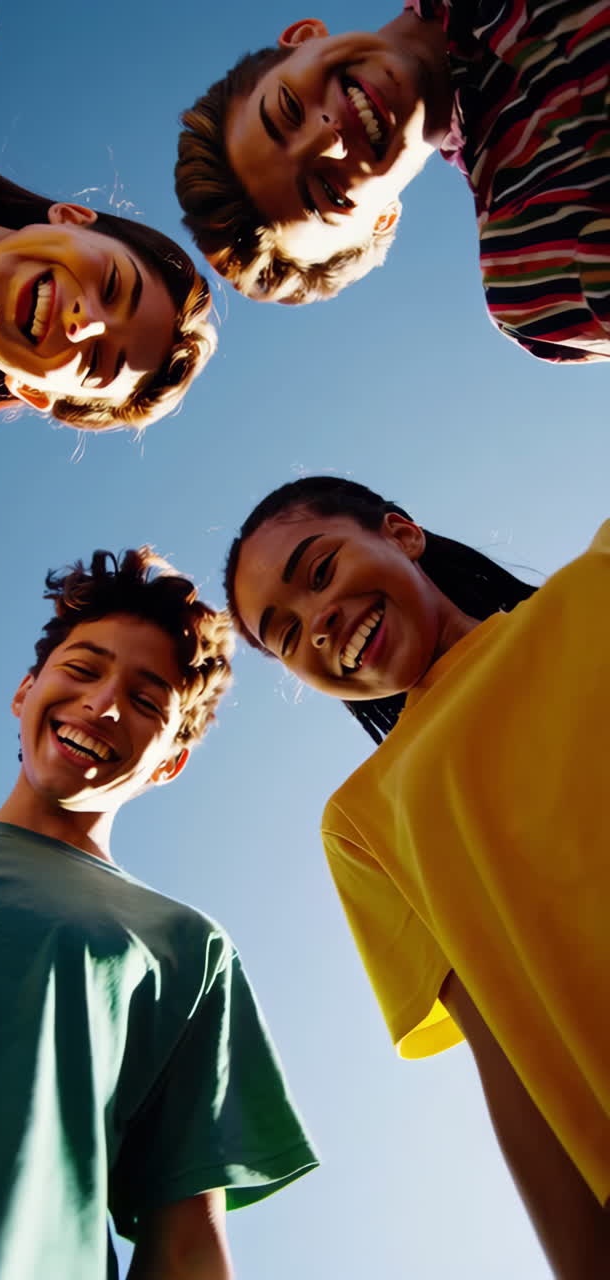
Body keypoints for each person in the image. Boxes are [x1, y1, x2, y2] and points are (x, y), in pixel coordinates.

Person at [0, 546, 317, 1279]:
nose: (104, 704)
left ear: (169, 763)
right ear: (26, 691)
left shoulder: (185, 948)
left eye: (148, 701)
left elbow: (186, 1240)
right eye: (83, 670)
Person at [224, 474, 610, 1275]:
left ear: (402, 533)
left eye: (320, 571)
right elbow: (508, 1061)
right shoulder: (363, 821)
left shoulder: (597, 585)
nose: (317, 622)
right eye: (285, 635)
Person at [176, 7, 610, 361]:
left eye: (287, 107)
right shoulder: (533, 262)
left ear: (304, 36)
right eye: (326, 195)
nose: (327, 139)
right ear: (382, 220)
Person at [0, 0, 215, 444]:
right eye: (112, 284)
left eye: (97, 361)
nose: (87, 325)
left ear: (34, 391)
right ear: (73, 219)